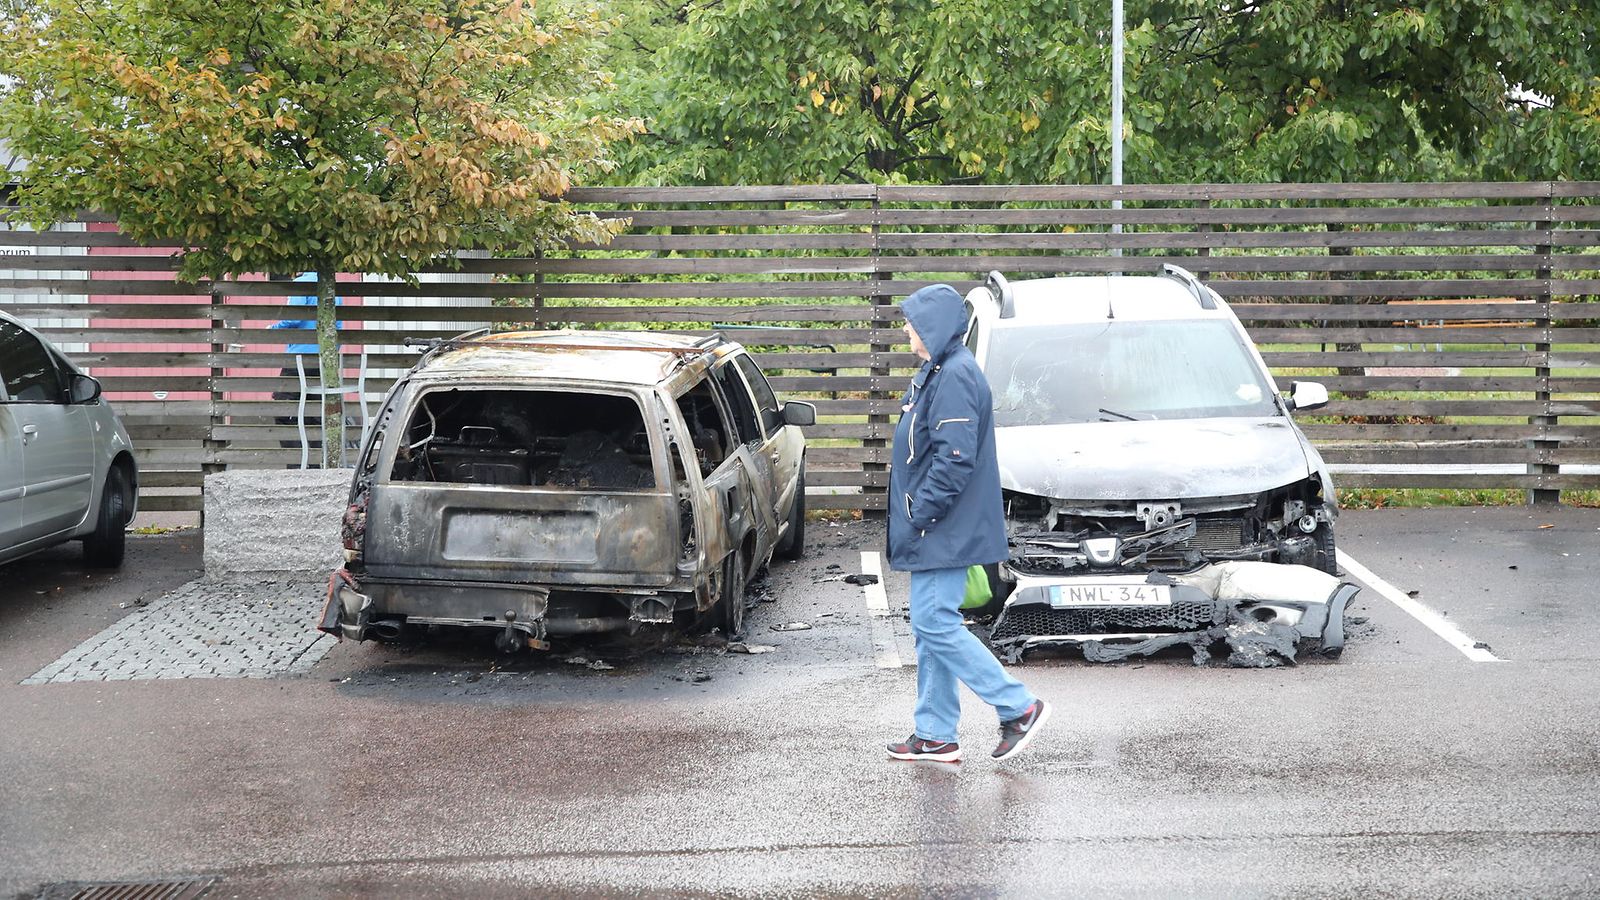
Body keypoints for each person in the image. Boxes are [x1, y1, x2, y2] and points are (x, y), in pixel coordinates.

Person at [885, 283, 1050, 763]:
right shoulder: (938, 370)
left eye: (911, 322)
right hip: (936, 527)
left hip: (941, 527)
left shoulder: (955, 375)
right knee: (930, 626)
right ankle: (935, 733)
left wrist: (921, 513)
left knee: (935, 623)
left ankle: (1017, 706)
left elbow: (954, 458)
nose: (906, 330)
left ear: (932, 326)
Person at [268, 272, 343, 466]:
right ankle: (318, 465)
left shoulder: (301, 283)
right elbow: (338, 324)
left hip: (300, 358)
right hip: (325, 361)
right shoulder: (331, 284)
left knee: (284, 410)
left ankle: (296, 464)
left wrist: (271, 329)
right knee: (315, 413)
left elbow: (292, 318)